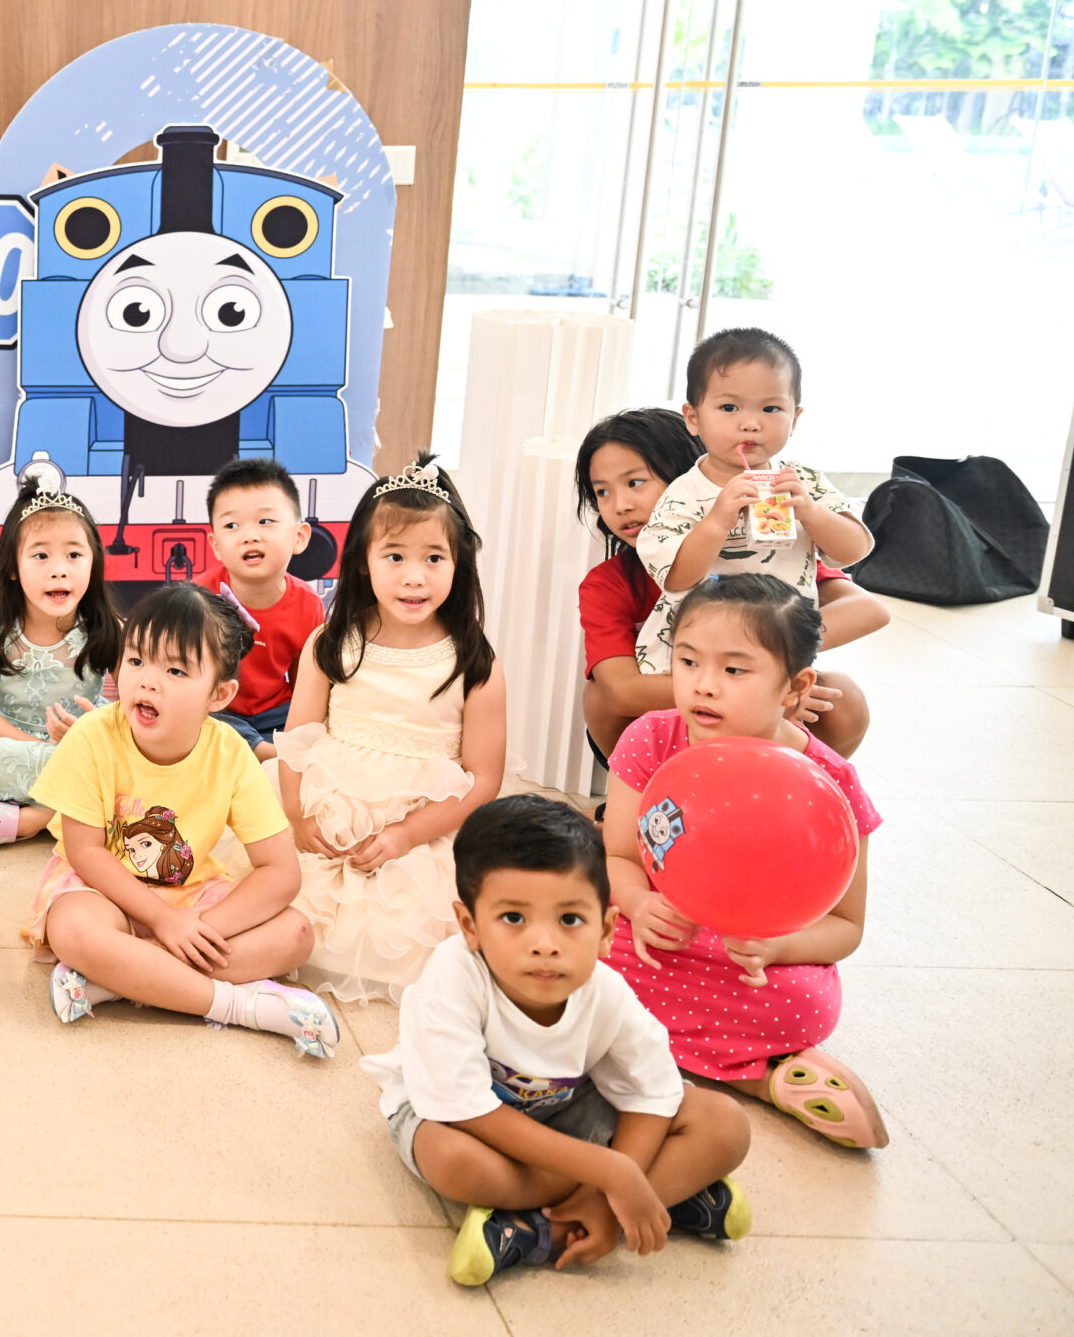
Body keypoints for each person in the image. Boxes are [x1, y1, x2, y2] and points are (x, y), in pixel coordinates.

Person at [364, 795, 752, 1287]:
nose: (544, 945)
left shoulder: (606, 991)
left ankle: (548, 1225)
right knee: (454, 1162)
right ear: (470, 926)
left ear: (606, 929)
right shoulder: (453, 974)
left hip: (567, 1110)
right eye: (513, 918)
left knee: (724, 1125)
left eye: (570, 920)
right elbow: (466, 1110)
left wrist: (609, 1189)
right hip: (463, 1120)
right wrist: (613, 1172)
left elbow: (653, 1093)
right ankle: (660, 1198)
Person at [604, 574, 888, 1149]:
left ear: (794, 687)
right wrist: (638, 903)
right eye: (687, 661)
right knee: (580, 949)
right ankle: (754, 1073)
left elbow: (845, 927)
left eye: (735, 670)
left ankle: (731, 1072)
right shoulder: (651, 739)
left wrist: (774, 949)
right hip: (657, 937)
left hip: (754, 964)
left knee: (802, 1002)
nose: (704, 686)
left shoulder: (830, 781)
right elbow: (616, 856)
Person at [21, 583, 337, 1057]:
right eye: (136, 660)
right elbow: (85, 852)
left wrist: (197, 925)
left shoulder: (231, 752)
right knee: (77, 931)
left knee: (296, 934)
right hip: (103, 890)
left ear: (219, 694)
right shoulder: (91, 736)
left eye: (175, 670)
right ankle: (238, 1006)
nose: (149, 681)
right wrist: (162, 921)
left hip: (191, 894)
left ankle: (121, 979)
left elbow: (280, 872)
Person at [277, 456, 508, 1003]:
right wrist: (296, 815)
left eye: (434, 558)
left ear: (458, 564)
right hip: (327, 809)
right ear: (363, 561)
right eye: (395, 556)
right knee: (271, 889)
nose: (414, 576)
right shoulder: (332, 643)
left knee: (416, 923)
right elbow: (296, 740)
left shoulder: (474, 662)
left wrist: (405, 835)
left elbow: (483, 779)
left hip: (426, 824)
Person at [578, 405, 883, 763]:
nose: (620, 506)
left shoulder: (762, 554)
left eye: (635, 483)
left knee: (842, 696)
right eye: (602, 492)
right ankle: (646, 790)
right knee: (598, 697)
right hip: (669, 728)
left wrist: (763, 664)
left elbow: (869, 611)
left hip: (761, 723)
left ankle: (792, 786)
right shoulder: (609, 583)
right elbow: (621, 692)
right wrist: (746, 690)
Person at [632, 329, 873, 681]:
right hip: (698, 657)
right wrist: (717, 521)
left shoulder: (803, 481)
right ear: (693, 418)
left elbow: (855, 549)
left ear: (794, 419)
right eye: (729, 407)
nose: (750, 424)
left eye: (771, 408)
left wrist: (810, 511)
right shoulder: (684, 493)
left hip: (777, 650)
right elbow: (676, 577)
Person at [0, 479, 121, 854]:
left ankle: (28, 820)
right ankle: (65, 812)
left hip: (78, 741)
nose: (59, 570)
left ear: (94, 562)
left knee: (123, 762)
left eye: (74, 555)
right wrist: (37, 746)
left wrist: (90, 730)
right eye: (41, 556)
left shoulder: (109, 627)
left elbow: (133, 708)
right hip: (1, 733)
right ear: (12, 569)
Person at [204, 457, 326, 760]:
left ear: (299, 537)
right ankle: (265, 753)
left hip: (276, 711)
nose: (250, 535)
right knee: (199, 718)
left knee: (316, 723)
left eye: (265, 521)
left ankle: (266, 751)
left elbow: (305, 682)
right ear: (216, 545)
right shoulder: (199, 596)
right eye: (232, 525)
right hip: (220, 708)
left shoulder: (308, 603)